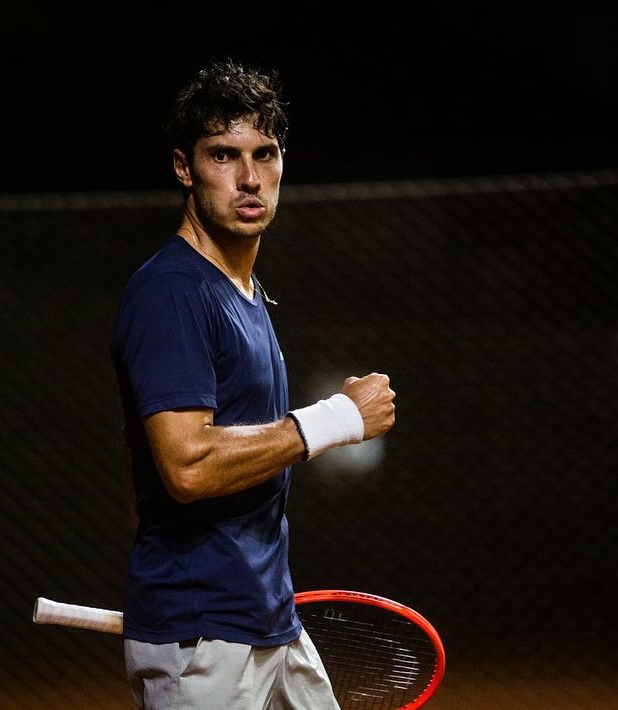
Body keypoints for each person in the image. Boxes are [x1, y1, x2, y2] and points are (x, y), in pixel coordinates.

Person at [110, 58, 397, 709]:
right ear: (184, 167)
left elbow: (136, 452)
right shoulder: (172, 293)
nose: (248, 178)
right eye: (222, 155)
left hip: (263, 620)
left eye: (263, 154)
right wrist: (336, 420)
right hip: (205, 638)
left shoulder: (242, 291)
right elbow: (184, 466)